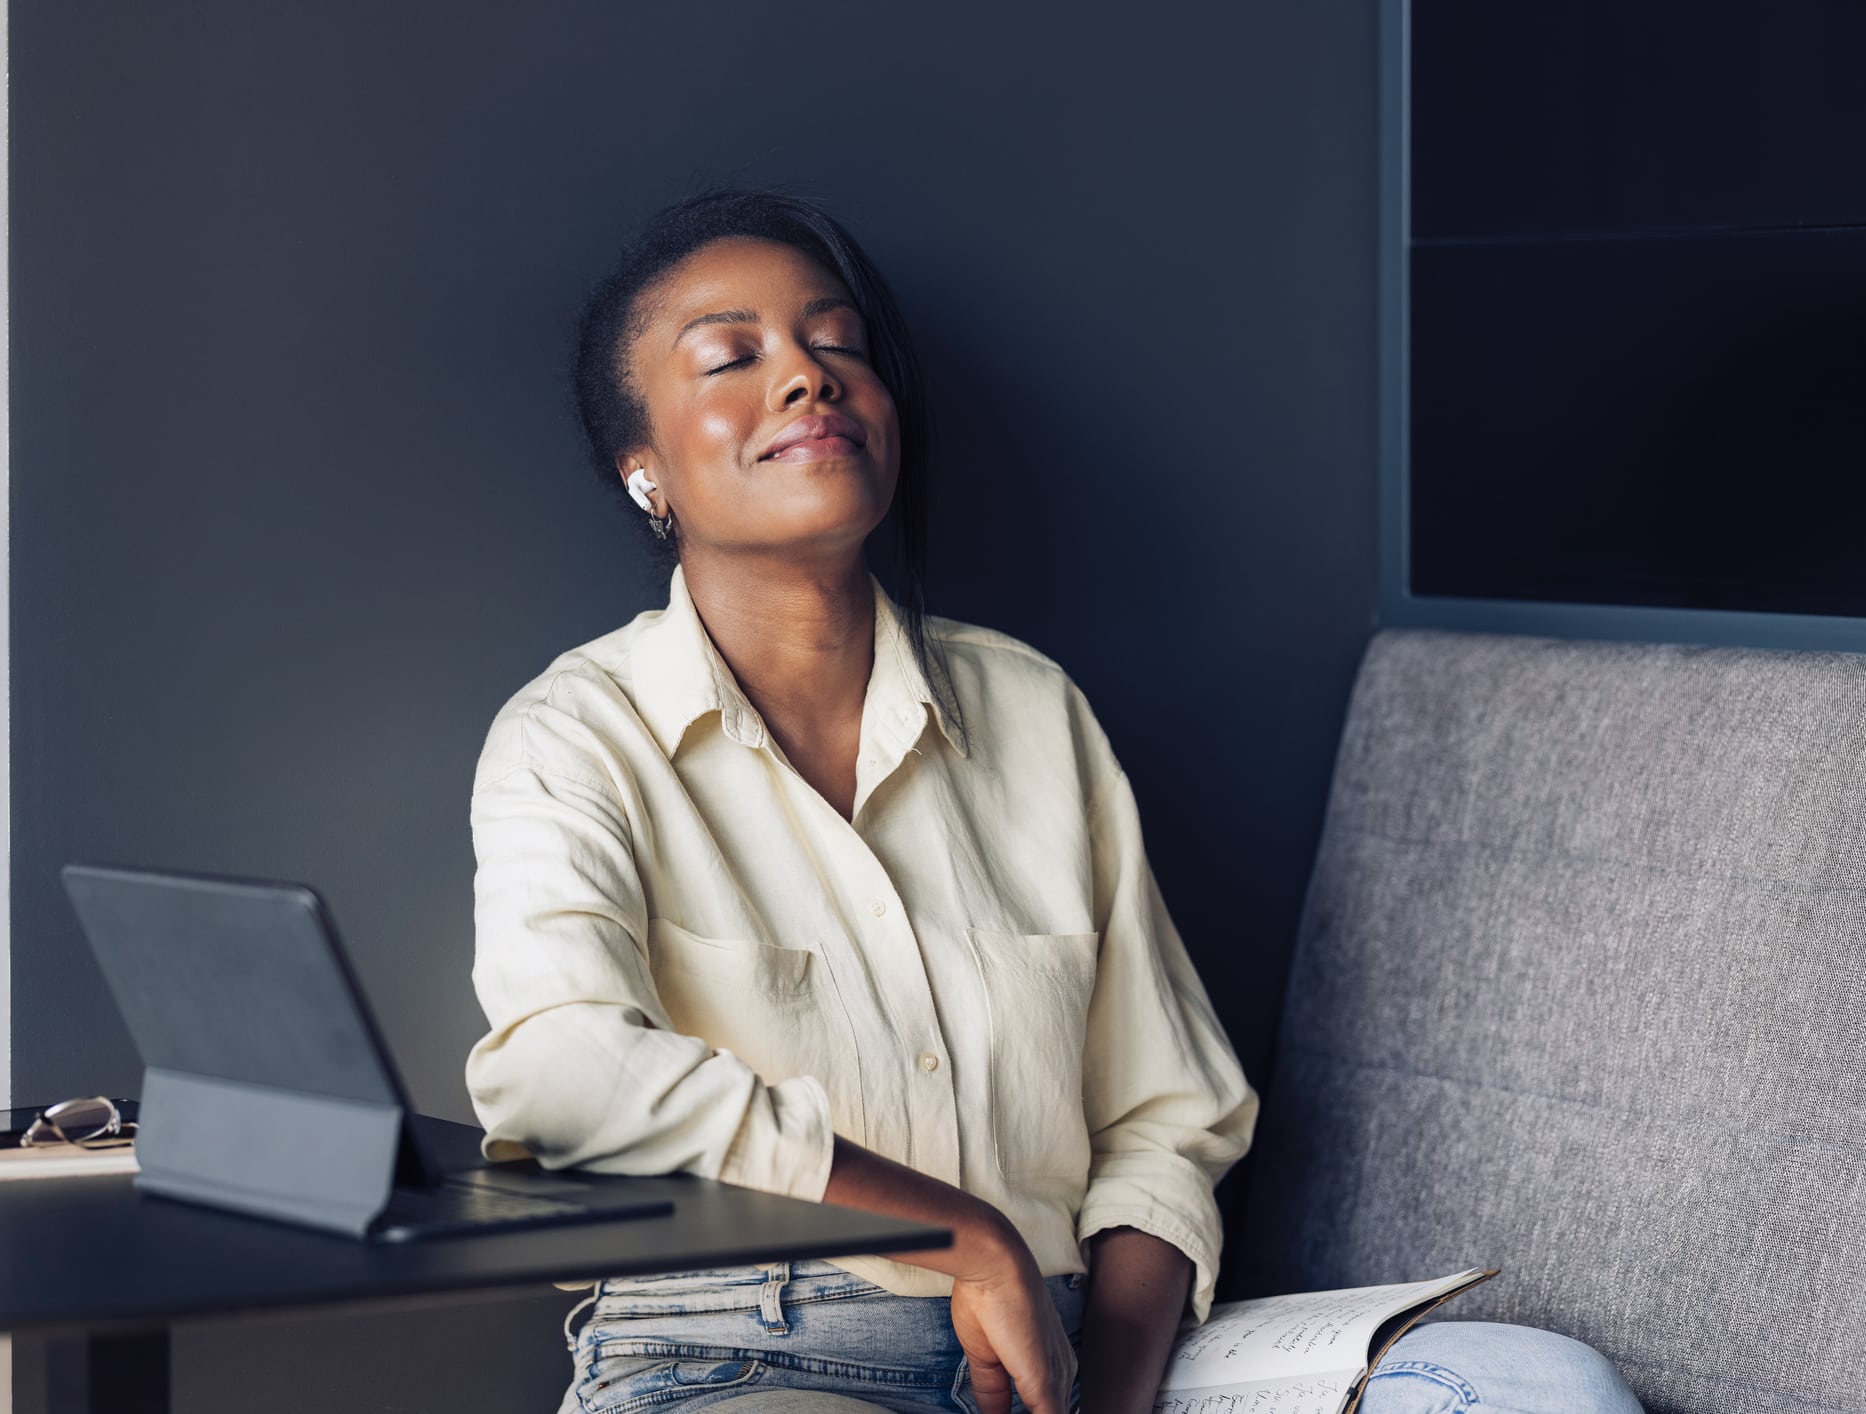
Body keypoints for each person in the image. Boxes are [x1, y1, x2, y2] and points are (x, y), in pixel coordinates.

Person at [464, 189, 1642, 1414]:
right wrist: (960, 1235)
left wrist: (1111, 1390)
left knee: (1534, 1386)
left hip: (1078, 1362)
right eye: (734, 356)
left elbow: (1165, 1119)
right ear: (643, 468)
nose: (808, 379)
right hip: (750, 1353)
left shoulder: (1028, 709)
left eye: (838, 345)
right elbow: (563, 1080)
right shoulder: (577, 736)